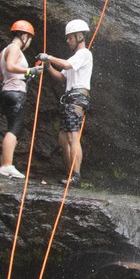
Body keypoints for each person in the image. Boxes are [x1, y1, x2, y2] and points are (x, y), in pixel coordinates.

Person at [37, 18, 93, 187]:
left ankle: (76, 175)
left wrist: (49, 57)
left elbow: (67, 65)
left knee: (72, 135)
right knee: (63, 138)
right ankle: (70, 173)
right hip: (70, 97)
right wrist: (48, 66)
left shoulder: (84, 54)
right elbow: (61, 76)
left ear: (79, 36)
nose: (67, 40)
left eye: (70, 37)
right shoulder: (76, 57)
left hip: (77, 97)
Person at [0, 20, 41, 179]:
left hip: (6, 92)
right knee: (15, 129)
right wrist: (30, 70)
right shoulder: (14, 48)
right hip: (15, 93)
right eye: (30, 39)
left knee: (12, 128)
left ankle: (4, 164)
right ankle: (6, 165)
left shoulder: (3, 52)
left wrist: (27, 74)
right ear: (25, 36)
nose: (29, 43)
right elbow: (11, 66)